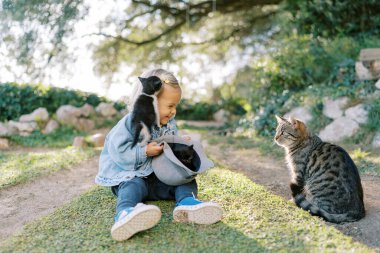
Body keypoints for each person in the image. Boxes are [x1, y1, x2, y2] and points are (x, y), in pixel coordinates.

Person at [95, 69, 223, 241]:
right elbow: (118, 151)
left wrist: (178, 142)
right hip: (131, 175)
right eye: (170, 106)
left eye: (175, 106)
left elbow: (168, 146)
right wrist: (144, 151)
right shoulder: (131, 122)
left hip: (158, 178)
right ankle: (126, 212)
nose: (173, 111)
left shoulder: (168, 122)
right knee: (132, 185)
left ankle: (187, 203)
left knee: (186, 179)